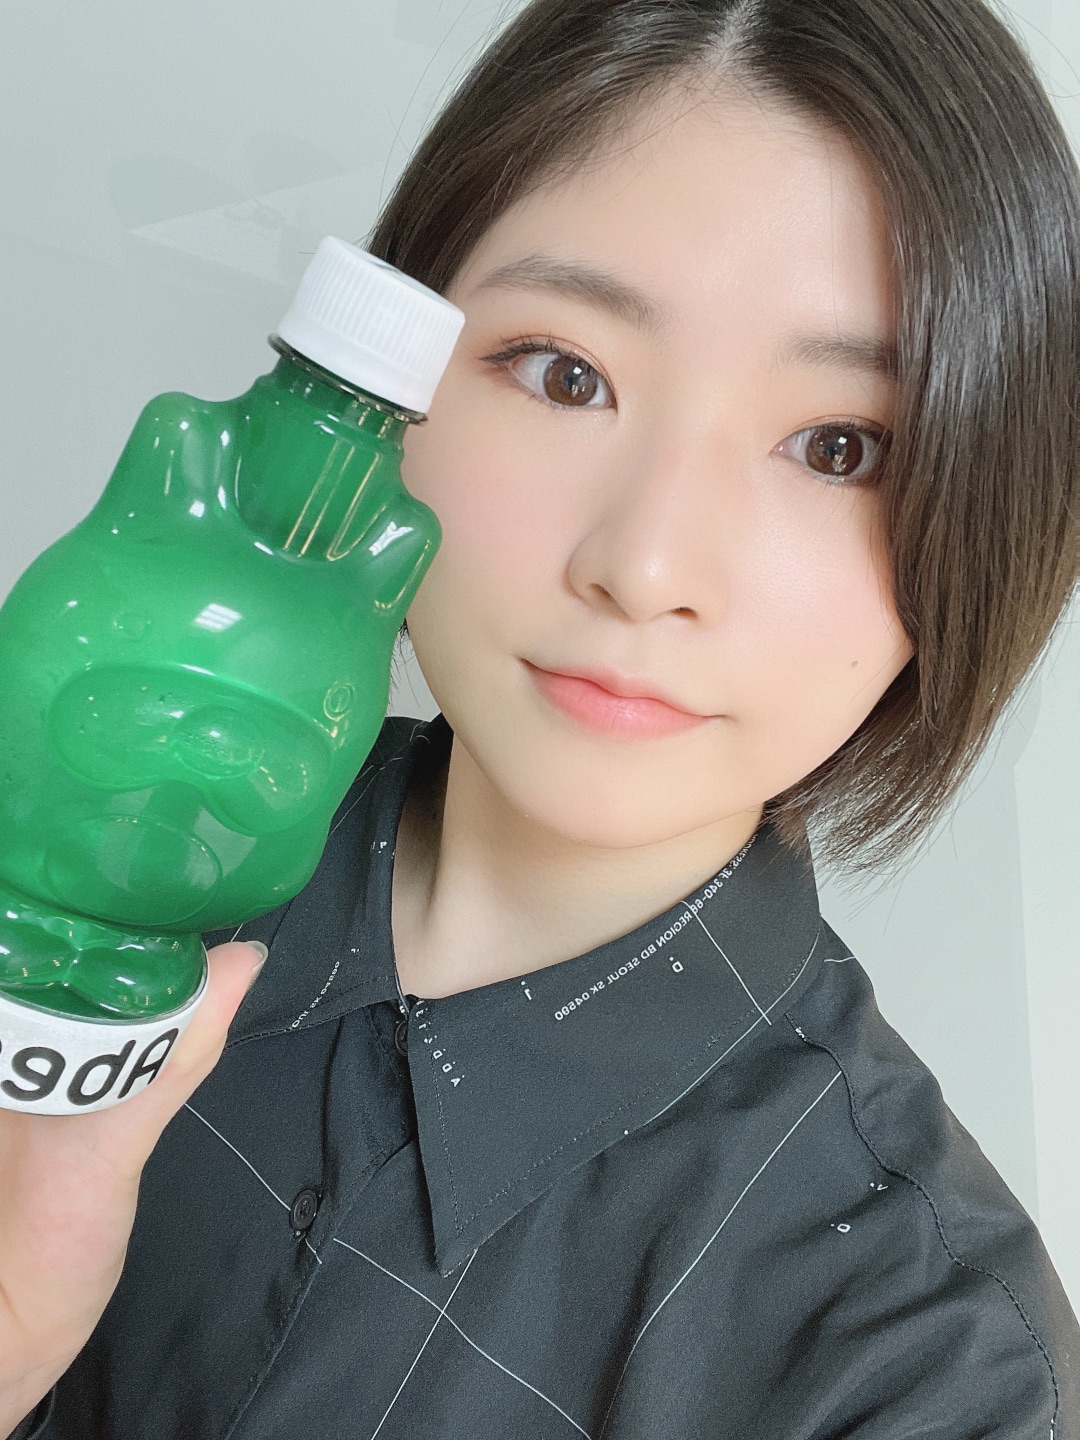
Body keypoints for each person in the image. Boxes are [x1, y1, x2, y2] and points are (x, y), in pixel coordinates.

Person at [2, 0, 1078, 1434]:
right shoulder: (80, 847)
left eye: (839, 447)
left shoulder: (925, 1372)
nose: (645, 565)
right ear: (389, 384)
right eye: (567, 375)